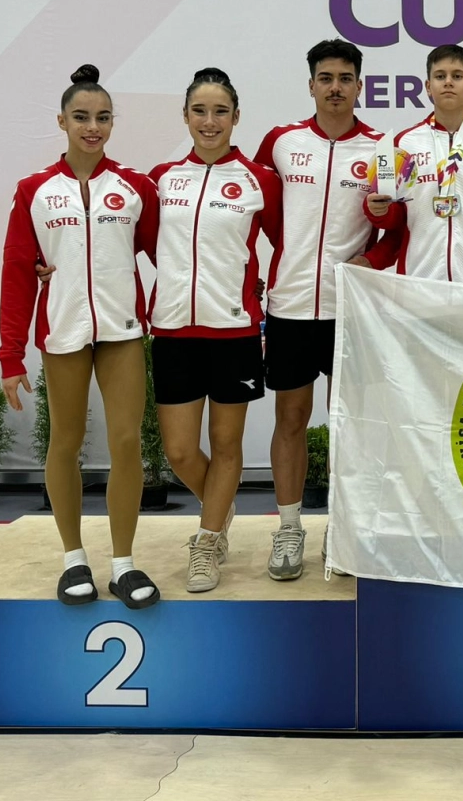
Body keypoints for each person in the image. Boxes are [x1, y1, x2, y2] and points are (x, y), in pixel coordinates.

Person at [0, 64, 161, 608]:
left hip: (122, 332)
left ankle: (123, 565)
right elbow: (17, 272)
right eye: (82, 117)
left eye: (103, 117)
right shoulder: (35, 191)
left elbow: (170, 257)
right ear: (62, 121)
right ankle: (73, 560)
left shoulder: (136, 188)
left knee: (126, 442)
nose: (93, 127)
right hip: (64, 331)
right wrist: (10, 355)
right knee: (64, 443)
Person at [253, 39, 400, 581]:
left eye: (344, 78)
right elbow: (257, 213)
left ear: (360, 85)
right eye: (325, 78)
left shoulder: (383, 149)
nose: (335, 87)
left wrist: (372, 258)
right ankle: (290, 527)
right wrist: (287, 259)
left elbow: (397, 229)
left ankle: (345, 527)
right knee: (290, 419)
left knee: (349, 426)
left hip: (349, 308)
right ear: (311, 84)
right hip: (290, 306)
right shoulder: (281, 143)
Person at [148, 68, 281, 593]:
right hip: (173, 332)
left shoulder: (258, 180)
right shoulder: (161, 179)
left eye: (220, 111)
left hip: (234, 334)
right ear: (185, 116)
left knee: (227, 445)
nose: (210, 121)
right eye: (200, 111)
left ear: (236, 117)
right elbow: (132, 240)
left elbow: (289, 243)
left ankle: (207, 543)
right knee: (180, 451)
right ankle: (220, 510)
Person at [388, 44, 463, 285]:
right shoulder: (404, 143)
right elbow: (394, 215)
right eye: (440, 76)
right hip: (418, 280)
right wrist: (376, 210)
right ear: (428, 87)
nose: (448, 82)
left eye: (457, 76)